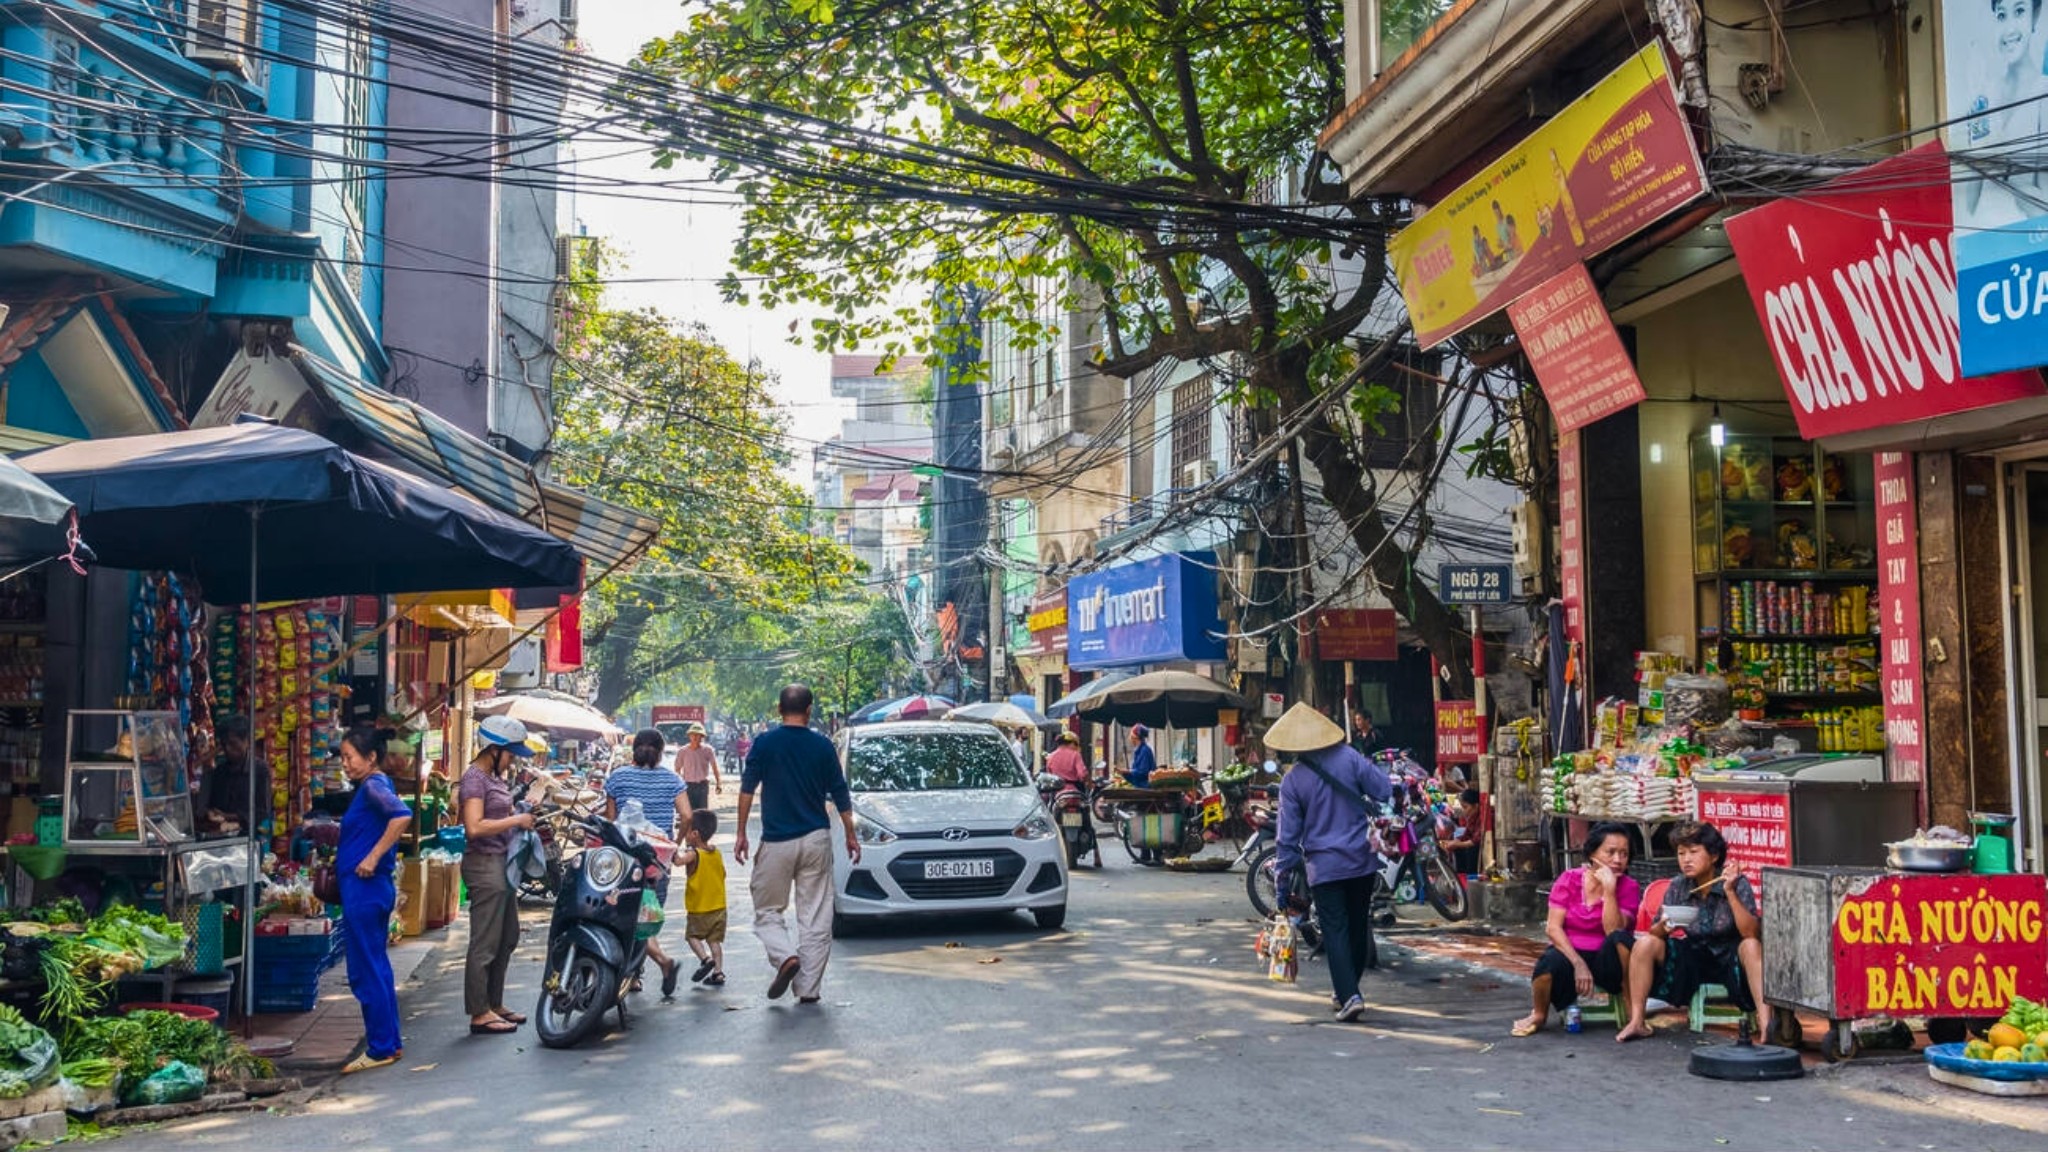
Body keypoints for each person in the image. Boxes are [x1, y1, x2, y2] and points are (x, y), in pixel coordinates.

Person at [1268, 702, 1393, 1023]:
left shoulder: (1293, 781)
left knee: (1335, 929)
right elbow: (1382, 789)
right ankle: (1346, 990)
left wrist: (1282, 884)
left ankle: (1349, 994)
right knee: (1355, 925)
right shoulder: (1351, 757)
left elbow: (1287, 839)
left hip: (1324, 867)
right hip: (1362, 861)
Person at [736, 684, 859, 1005]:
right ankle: (807, 988)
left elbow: (747, 789)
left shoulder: (764, 743)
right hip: (816, 839)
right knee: (816, 916)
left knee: (766, 910)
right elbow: (840, 792)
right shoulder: (822, 745)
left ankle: (785, 955)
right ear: (809, 710)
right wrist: (850, 833)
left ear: (779, 709)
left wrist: (740, 834)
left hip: (776, 841)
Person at [1617, 822, 1766, 1042]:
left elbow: (1750, 932)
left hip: (1729, 958)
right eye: (1681, 853)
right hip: (1693, 957)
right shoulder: (1678, 885)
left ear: (1714, 856)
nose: (1686, 859)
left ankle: (1766, 1025)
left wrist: (1730, 893)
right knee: (1646, 943)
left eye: (1693, 852)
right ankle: (1637, 1021)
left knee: (1752, 946)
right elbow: (1656, 930)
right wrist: (1665, 927)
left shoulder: (1735, 883)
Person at [1512, 823, 1641, 1036]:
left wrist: (1609, 891)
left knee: (1621, 939)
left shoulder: (1629, 887)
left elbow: (1613, 930)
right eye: (1610, 852)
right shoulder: (1569, 879)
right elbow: (1553, 928)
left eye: (1624, 854)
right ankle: (1539, 1013)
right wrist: (1578, 962)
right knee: (1548, 963)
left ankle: (1632, 1012)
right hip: (1571, 953)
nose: (1618, 860)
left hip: (1608, 960)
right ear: (1592, 853)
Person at [336, 724, 411, 1074]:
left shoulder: (374, 786)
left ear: (370, 757)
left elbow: (401, 816)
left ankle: (381, 1047)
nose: (345, 764)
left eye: (349, 757)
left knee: (366, 970)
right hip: (366, 890)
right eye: (342, 757)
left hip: (365, 890)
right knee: (376, 967)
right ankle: (388, 1042)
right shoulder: (372, 785)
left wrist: (371, 857)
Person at [459, 715, 538, 1036]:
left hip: (502, 863)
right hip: (484, 864)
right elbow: (474, 826)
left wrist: (521, 808)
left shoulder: (494, 778)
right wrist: (516, 821)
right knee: (485, 942)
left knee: (507, 937)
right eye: (511, 754)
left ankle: (494, 1002)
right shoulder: (474, 778)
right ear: (494, 749)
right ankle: (479, 1012)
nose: (514, 760)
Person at [607, 728, 691, 998]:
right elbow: (687, 815)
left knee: (626, 915)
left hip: (624, 860)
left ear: (635, 750)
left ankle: (637, 973)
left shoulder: (618, 777)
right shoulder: (672, 780)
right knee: (647, 915)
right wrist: (674, 843)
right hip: (657, 861)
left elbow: (610, 823)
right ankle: (637, 973)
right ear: (660, 751)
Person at [200, 715, 272, 837]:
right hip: (222, 839)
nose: (228, 749)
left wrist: (229, 817)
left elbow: (262, 813)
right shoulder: (219, 772)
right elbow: (211, 807)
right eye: (224, 744)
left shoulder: (260, 770)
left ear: (247, 741)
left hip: (249, 839)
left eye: (233, 744)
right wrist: (211, 814)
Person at [680, 808, 728, 987]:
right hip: (719, 907)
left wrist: (671, 852)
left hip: (699, 908)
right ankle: (718, 973)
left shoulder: (693, 854)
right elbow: (723, 874)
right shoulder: (717, 853)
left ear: (695, 834)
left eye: (686, 831)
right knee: (714, 941)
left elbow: (678, 861)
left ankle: (705, 959)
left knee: (692, 937)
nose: (684, 834)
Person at [1124, 724, 1162, 864]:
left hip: (1147, 790)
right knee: (1141, 820)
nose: (1129, 736)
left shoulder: (1145, 751)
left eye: (1131, 734)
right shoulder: (1138, 750)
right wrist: (1125, 774)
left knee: (1150, 822)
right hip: (1140, 790)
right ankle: (1145, 853)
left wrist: (1128, 772)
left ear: (1136, 736)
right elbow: (1136, 773)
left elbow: (1143, 772)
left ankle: (1156, 854)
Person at [673, 722, 722, 815]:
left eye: (698, 735)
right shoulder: (683, 751)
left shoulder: (708, 750)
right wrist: (678, 785)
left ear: (702, 737)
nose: (695, 737)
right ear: (689, 736)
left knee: (702, 812)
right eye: (693, 735)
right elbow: (677, 769)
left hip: (702, 785)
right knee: (689, 812)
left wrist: (718, 783)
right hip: (688, 785)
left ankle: (701, 829)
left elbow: (714, 767)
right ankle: (691, 829)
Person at [1445, 788, 1483, 875]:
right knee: (1457, 847)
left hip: (1479, 848)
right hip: (1473, 844)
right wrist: (1455, 841)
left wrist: (1458, 844)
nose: (1464, 811)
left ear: (1476, 806)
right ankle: (1461, 875)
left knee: (1471, 849)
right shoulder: (1472, 817)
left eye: (1466, 807)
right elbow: (1467, 834)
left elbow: (1476, 840)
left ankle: (1471, 876)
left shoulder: (1483, 816)